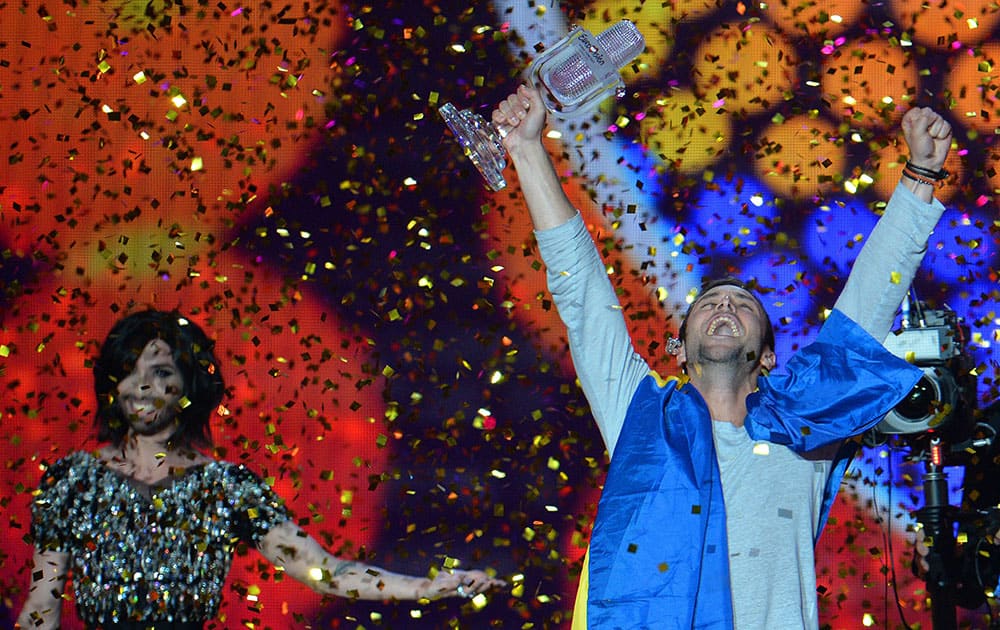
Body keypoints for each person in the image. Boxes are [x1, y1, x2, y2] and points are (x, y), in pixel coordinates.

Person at [491, 83, 953, 629]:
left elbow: (869, 304)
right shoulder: (640, 416)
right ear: (679, 350)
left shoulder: (808, 422)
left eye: (743, 304)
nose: (726, 305)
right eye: (710, 303)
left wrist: (920, 177)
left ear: (768, 358)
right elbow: (583, 294)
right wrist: (526, 149)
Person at [16, 309, 505, 629]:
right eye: (129, 370)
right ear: (111, 383)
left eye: (161, 372)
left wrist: (425, 586)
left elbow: (326, 573)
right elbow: (42, 608)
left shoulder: (226, 489)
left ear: (189, 385)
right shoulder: (74, 482)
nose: (142, 386)